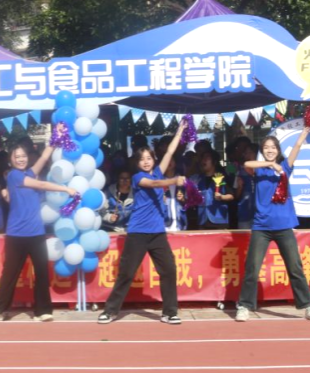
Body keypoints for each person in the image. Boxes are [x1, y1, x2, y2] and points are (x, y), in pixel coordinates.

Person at [99, 128, 188, 324]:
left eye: (149, 158)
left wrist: (180, 131)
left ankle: (170, 312)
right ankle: (110, 311)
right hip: (138, 233)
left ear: (153, 159)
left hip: (157, 234)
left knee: (169, 270)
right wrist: (174, 180)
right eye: (142, 159)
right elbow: (154, 184)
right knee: (127, 273)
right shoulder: (138, 177)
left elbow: (170, 151)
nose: (146, 161)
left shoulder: (158, 172)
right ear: (137, 163)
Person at [0, 142, 78, 323]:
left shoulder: (30, 172)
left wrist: (56, 138)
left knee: (42, 273)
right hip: (16, 234)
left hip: (36, 233)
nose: (21, 159)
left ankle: (42, 311)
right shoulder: (13, 176)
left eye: (23, 156)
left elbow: (44, 157)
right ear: (11, 160)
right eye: (17, 157)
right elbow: (41, 184)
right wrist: (65, 189)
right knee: (10, 274)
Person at [235, 131, 310, 322]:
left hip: (284, 226)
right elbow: (247, 164)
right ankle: (244, 306)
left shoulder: (285, 167)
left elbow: (297, 147)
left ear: (278, 150)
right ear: (262, 151)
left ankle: (308, 306)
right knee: (252, 268)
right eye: (266, 148)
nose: (270, 150)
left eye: (273, 147)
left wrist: (304, 134)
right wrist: (269, 164)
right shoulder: (259, 169)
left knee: (295, 268)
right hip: (261, 226)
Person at [190, 150, 232, 230]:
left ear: (214, 162)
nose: (203, 161)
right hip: (202, 220)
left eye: (207, 158)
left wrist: (222, 197)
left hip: (219, 220)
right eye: (202, 158)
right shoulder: (198, 179)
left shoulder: (222, 177)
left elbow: (231, 196)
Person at [233, 142, 258, 231]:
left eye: (249, 152)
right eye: (245, 153)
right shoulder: (240, 172)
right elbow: (236, 195)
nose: (246, 155)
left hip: (260, 213)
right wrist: (240, 187)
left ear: (256, 154)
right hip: (244, 212)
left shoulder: (264, 170)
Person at [104, 169, 134, 233]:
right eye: (122, 178)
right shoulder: (109, 193)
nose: (125, 181)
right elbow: (101, 210)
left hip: (129, 230)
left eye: (127, 178)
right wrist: (109, 217)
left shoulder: (136, 193)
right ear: (118, 179)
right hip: (110, 228)